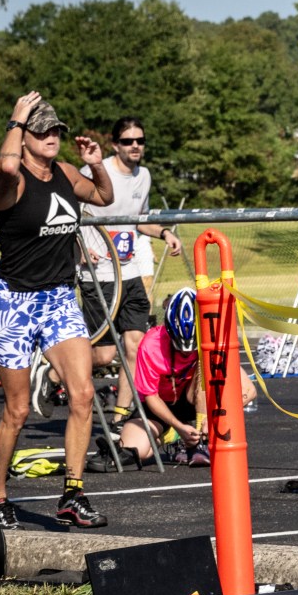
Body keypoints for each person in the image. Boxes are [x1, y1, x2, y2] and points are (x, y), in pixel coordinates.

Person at [0, 92, 115, 530]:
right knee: (17, 411)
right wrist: (17, 117)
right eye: (41, 131)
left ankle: (72, 494)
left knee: (82, 394)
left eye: (55, 130)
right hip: (14, 301)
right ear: (22, 138)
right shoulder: (13, 180)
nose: (51, 136)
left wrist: (95, 161)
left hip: (58, 297)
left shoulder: (62, 171)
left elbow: (102, 195)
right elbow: (3, 165)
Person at [80, 116, 184, 415]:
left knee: (135, 346)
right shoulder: (94, 171)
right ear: (115, 145)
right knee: (102, 355)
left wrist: (165, 233)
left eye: (140, 140)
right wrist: (81, 248)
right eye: (128, 141)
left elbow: (140, 221)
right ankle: (52, 375)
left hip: (130, 271)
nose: (135, 146)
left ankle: (119, 415)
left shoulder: (144, 176)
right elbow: (69, 216)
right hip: (98, 274)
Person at [117, 287, 254, 466]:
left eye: (191, 348)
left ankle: (200, 440)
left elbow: (249, 391)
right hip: (161, 405)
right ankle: (174, 437)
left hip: (196, 400)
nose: (185, 353)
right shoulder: (150, 344)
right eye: (179, 348)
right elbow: (150, 396)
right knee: (136, 451)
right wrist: (178, 427)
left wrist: (215, 418)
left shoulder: (213, 338)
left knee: (203, 367)